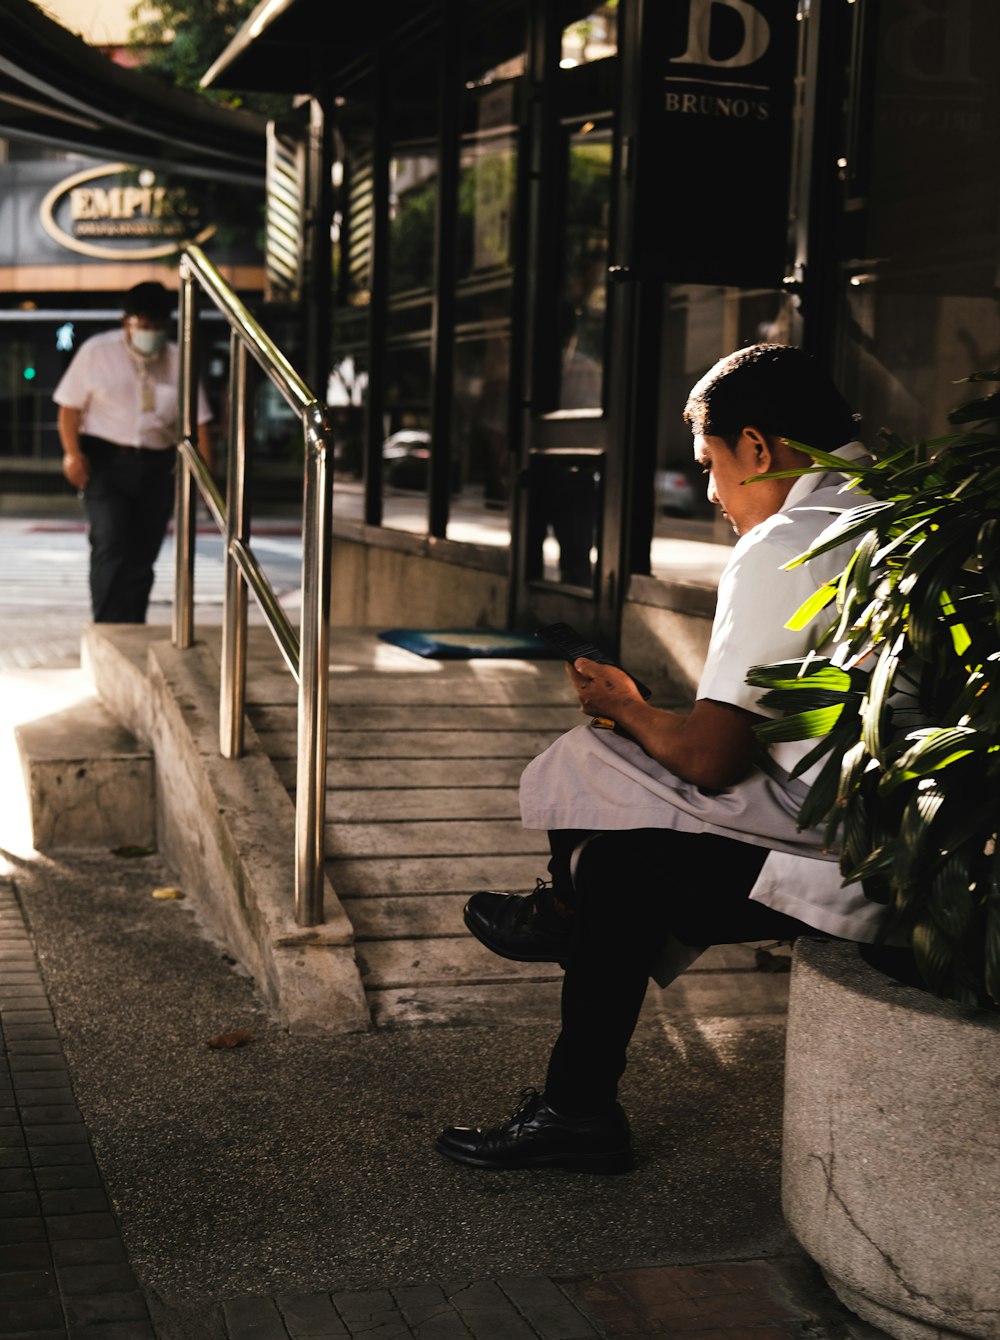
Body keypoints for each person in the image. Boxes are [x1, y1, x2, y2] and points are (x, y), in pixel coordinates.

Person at [435, 343, 883, 1175]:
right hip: (897, 831)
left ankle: (568, 962)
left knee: (604, 808)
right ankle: (576, 1088)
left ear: (758, 447)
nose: (711, 494)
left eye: (711, 465)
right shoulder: (894, 506)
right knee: (619, 861)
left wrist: (626, 708)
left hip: (845, 853)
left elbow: (710, 757)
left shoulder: (792, 538)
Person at [55, 280, 213, 623]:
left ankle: (132, 624)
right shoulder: (97, 352)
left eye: (158, 326)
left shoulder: (177, 359)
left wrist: (205, 479)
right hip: (105, 463)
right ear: (126, 321)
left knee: (143, 554)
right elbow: (69, 408)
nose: (150, 333)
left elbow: (199, 422)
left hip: (157, 466)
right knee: (111, 543)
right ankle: (109, 628)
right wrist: (72, 454)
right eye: (144, 325)